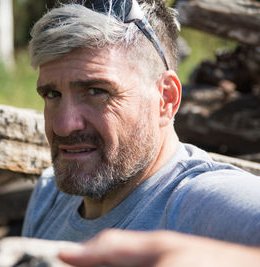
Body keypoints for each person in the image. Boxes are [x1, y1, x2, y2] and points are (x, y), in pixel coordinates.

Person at [22, 0, 260, 247]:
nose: (64, 125)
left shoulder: (201, 203)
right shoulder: (50, 195)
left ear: (166, 99)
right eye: (52, 95)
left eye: (96, 91)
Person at [58, 229, 260, 267]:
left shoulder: (217, 196)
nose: (64, 126)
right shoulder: (51, 187)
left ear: (167, 112)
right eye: (54, 111)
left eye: (101, 111)